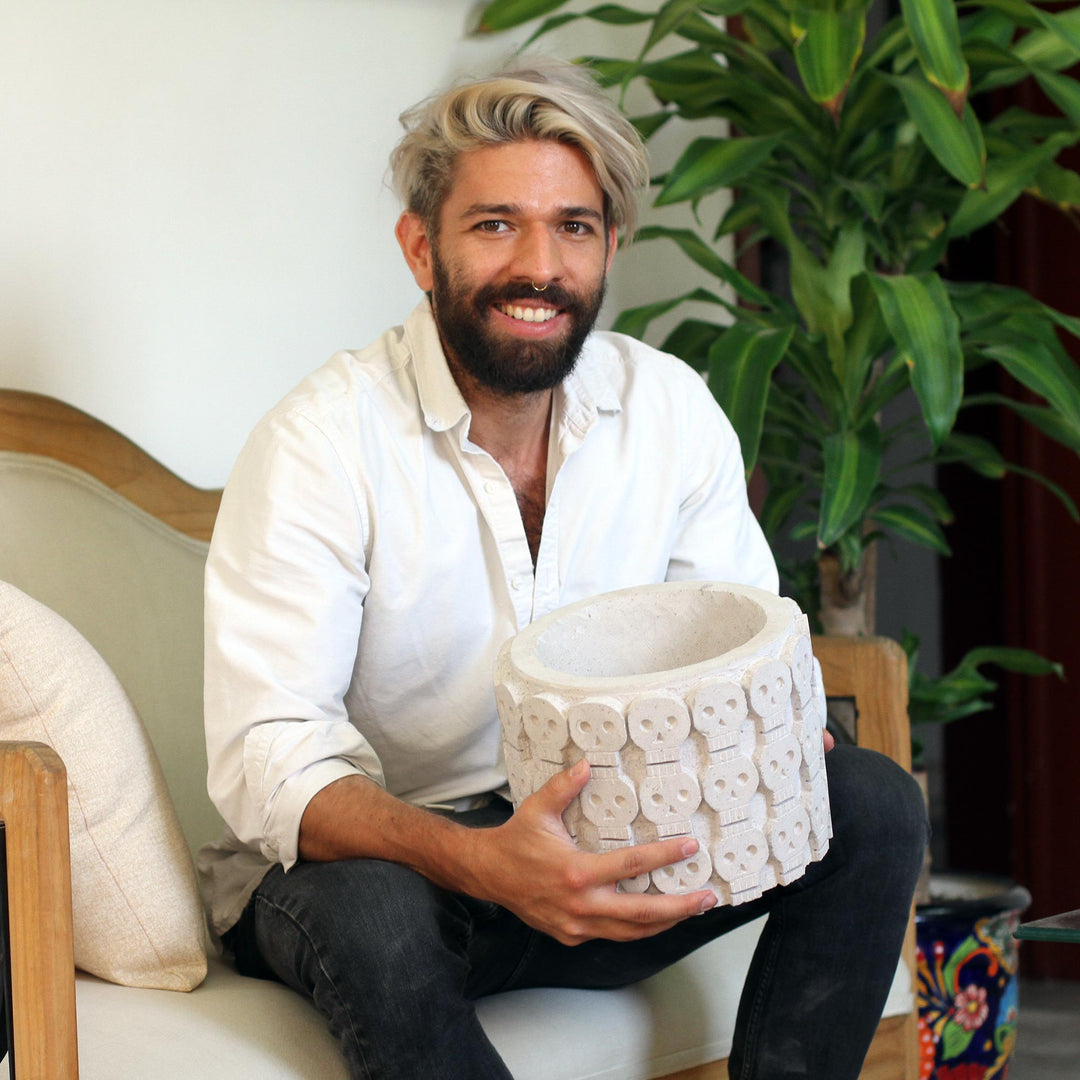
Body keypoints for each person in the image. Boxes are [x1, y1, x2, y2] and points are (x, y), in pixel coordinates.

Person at [200, 59, 927, 1080]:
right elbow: (267, 756)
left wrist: (770, 741)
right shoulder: (320, 442)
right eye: (495, 224)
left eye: (573, 227)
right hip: (407, 863)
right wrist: (484, 861)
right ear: (421, 247)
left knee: (874, 802)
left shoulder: (668, 410)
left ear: (610, 246)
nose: (538, 265)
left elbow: (741, 643)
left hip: (611, 840)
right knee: (370, 912)